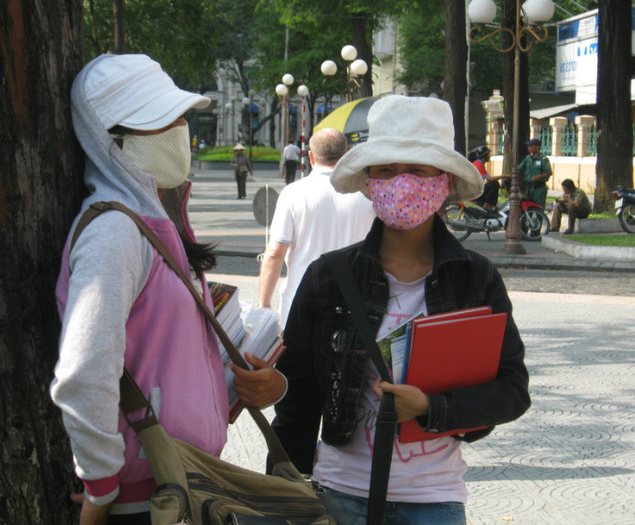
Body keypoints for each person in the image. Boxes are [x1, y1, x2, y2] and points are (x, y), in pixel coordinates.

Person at [271, 95, 530, 525]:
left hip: (435, 502)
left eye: (418, 169)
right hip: (338, 496)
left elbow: (512, 389)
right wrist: (281, 493)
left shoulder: (475, 278)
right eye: (387, 169)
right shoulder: (328, 277)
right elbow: (297, 399)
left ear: (443, 180)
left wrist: (432, 406)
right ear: (369, 180)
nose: (401, 181)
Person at [50, 53, 282, 525]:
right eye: (162, 120)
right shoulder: (114, 232)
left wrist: (247, 387)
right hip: (144, 499)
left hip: (185, 484)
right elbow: (84, 370)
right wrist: (100, 490)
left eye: (179, 116)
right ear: (112, 139)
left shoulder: (159, 222)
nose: (181, 128)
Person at [258, 128, 376, 325]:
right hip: (355, 302)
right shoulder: (367, 194)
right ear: (346, 152)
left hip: (302, 301)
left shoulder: (293, 194)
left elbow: (275, 253)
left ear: (311, 156)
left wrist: (264, 305)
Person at [469, 145, 507, 210]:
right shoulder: (478, 164)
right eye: (488, 154)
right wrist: (504, 175)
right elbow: (490, 179)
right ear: (484, 155)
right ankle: (487, 205)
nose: (490, 156)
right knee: (494, 184)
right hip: (475, 191)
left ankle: (489, 205)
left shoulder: (479, 163)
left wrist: (501, 186)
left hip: (477, 189)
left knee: (494, 185)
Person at [519, 138, 552, 208]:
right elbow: (519, 168)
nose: (529, 148)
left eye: (531, 146)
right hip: (529, 188)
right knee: (527, 208)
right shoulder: (528, 159)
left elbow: (548, 172)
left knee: (538, 208)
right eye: (528, 146)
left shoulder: (543, 159)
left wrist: (538, 176)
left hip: (539, 188)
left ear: (537, 147)